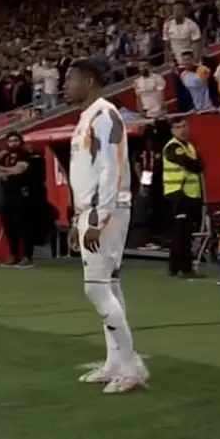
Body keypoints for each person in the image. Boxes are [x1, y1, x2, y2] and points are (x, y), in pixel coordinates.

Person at [63, 57, 146, 394]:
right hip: (91, 211)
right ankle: (116, 362)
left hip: (106, 212)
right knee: (108, 285)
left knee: (96, 287)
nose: (66, 86)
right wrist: (77, 218)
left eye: (72, 79)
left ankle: (130, 366)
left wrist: (97, 216)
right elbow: (88, 173)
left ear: (91, 80)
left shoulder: (105, 115)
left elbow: (110, 170)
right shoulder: (87, 118)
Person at [161, 116, 204, 278]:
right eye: (178, 127)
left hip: (190, 194)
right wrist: (195, 164)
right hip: (179, 194)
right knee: (181, 233)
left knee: (184, 232)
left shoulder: (189, 146)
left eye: (185, 125)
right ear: (172, 131)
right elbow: (192, 165)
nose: (183, 129)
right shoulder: (173, 147)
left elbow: (199, 166)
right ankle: (183, 268)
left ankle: (177, 267)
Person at [0, 132, 38, 268]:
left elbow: (20, 170)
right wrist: (10, 171)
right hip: (7, 195)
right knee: (9, 227)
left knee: (23, 226)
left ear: (20, 141)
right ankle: (14, 255)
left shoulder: (25, 155)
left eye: (15, 140)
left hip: (22, 194)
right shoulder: (5, 156)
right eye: (10, 141)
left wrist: (7, 171)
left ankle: (27, 256)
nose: (13, 143)